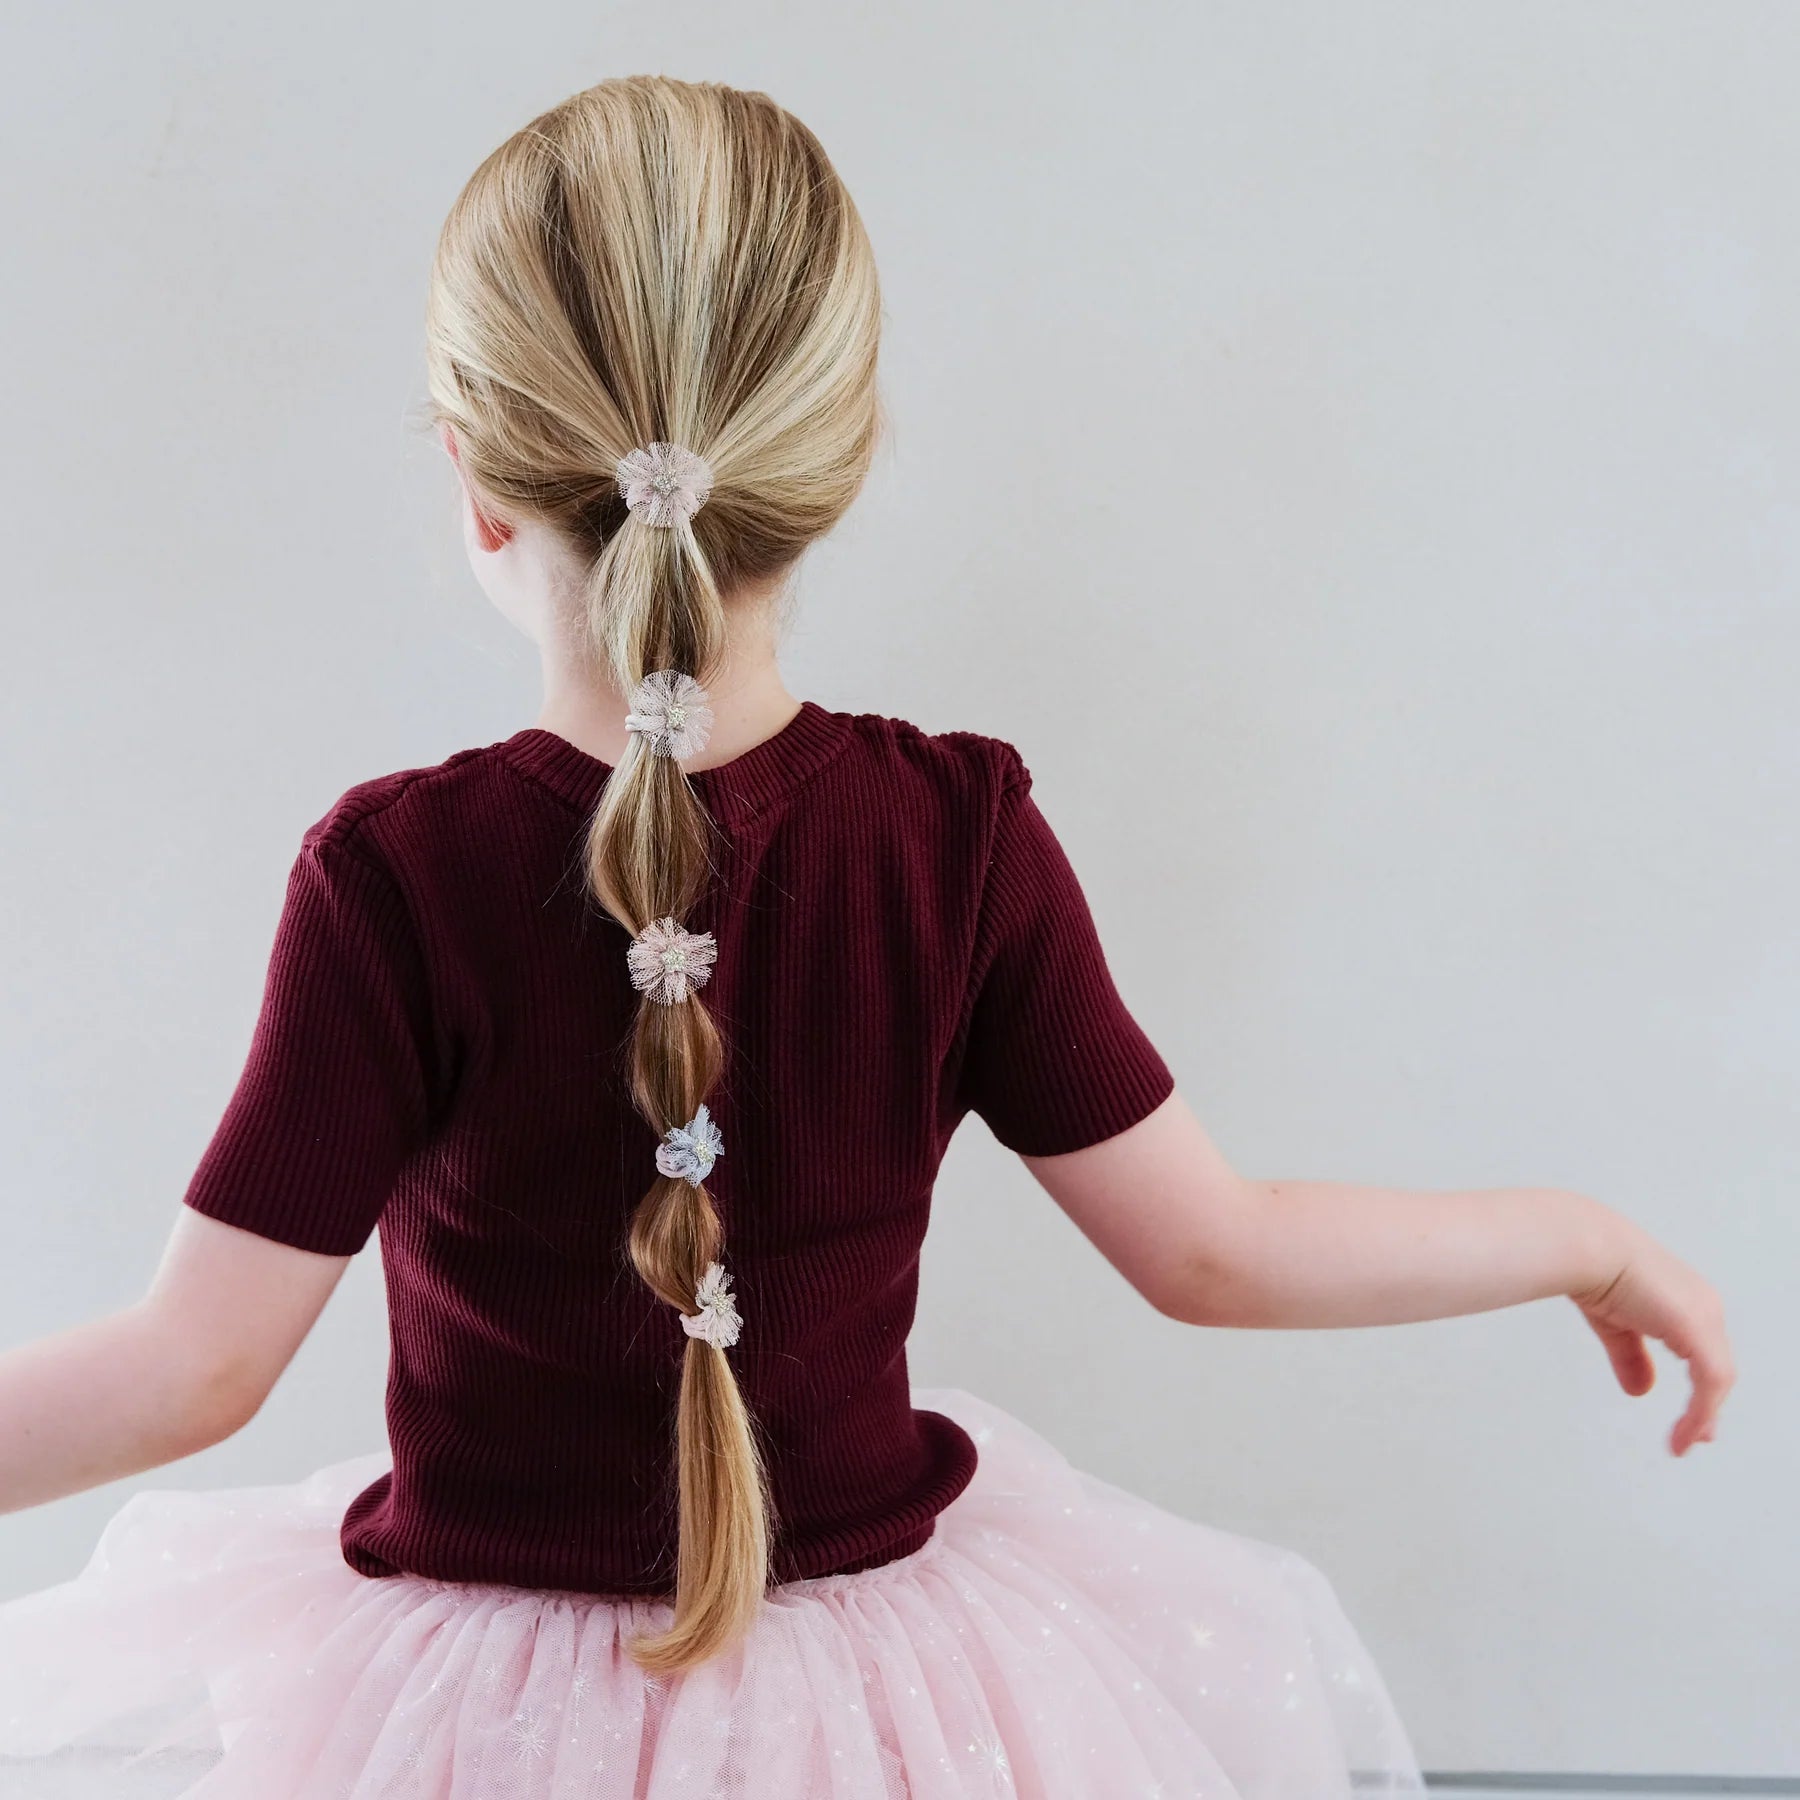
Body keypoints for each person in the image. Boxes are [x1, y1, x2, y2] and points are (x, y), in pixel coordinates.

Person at [0, 74, 1733, 1800]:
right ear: (838, 453)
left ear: (474, 478)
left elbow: (191, 1368)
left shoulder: (394, 878)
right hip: (886, 1722)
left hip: (469, 1733)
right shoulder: (952, 840)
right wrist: (1577, 1240)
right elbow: (1220, 1253)